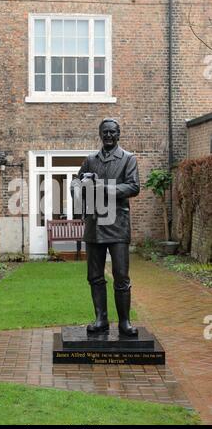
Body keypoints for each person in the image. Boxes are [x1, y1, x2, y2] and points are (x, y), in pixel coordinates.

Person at [71, 118, 140, 336]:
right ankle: (101, 319)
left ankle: (125, 322)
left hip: (118, 226)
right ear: (100, 134)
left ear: (119, 134)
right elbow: (75, 181)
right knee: (95, 276)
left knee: (121, 276)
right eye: (105, 132)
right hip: (94, 226)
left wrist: (103, 188)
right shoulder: (90, 160)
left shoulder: (128, 159)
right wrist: (79, 188)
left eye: (112, 132)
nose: (108, 135)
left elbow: (133, 186)